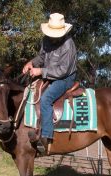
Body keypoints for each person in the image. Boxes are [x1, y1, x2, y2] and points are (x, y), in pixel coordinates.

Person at [22, 13, 77, 155]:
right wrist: (31, 63)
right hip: (50, 74)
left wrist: (40, 71)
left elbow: (63, 70)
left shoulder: (68, 45)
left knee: (45, 99)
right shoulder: (46, 40)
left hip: (64, 78)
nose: (53, 36)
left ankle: (46, 137)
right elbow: (41, 57)